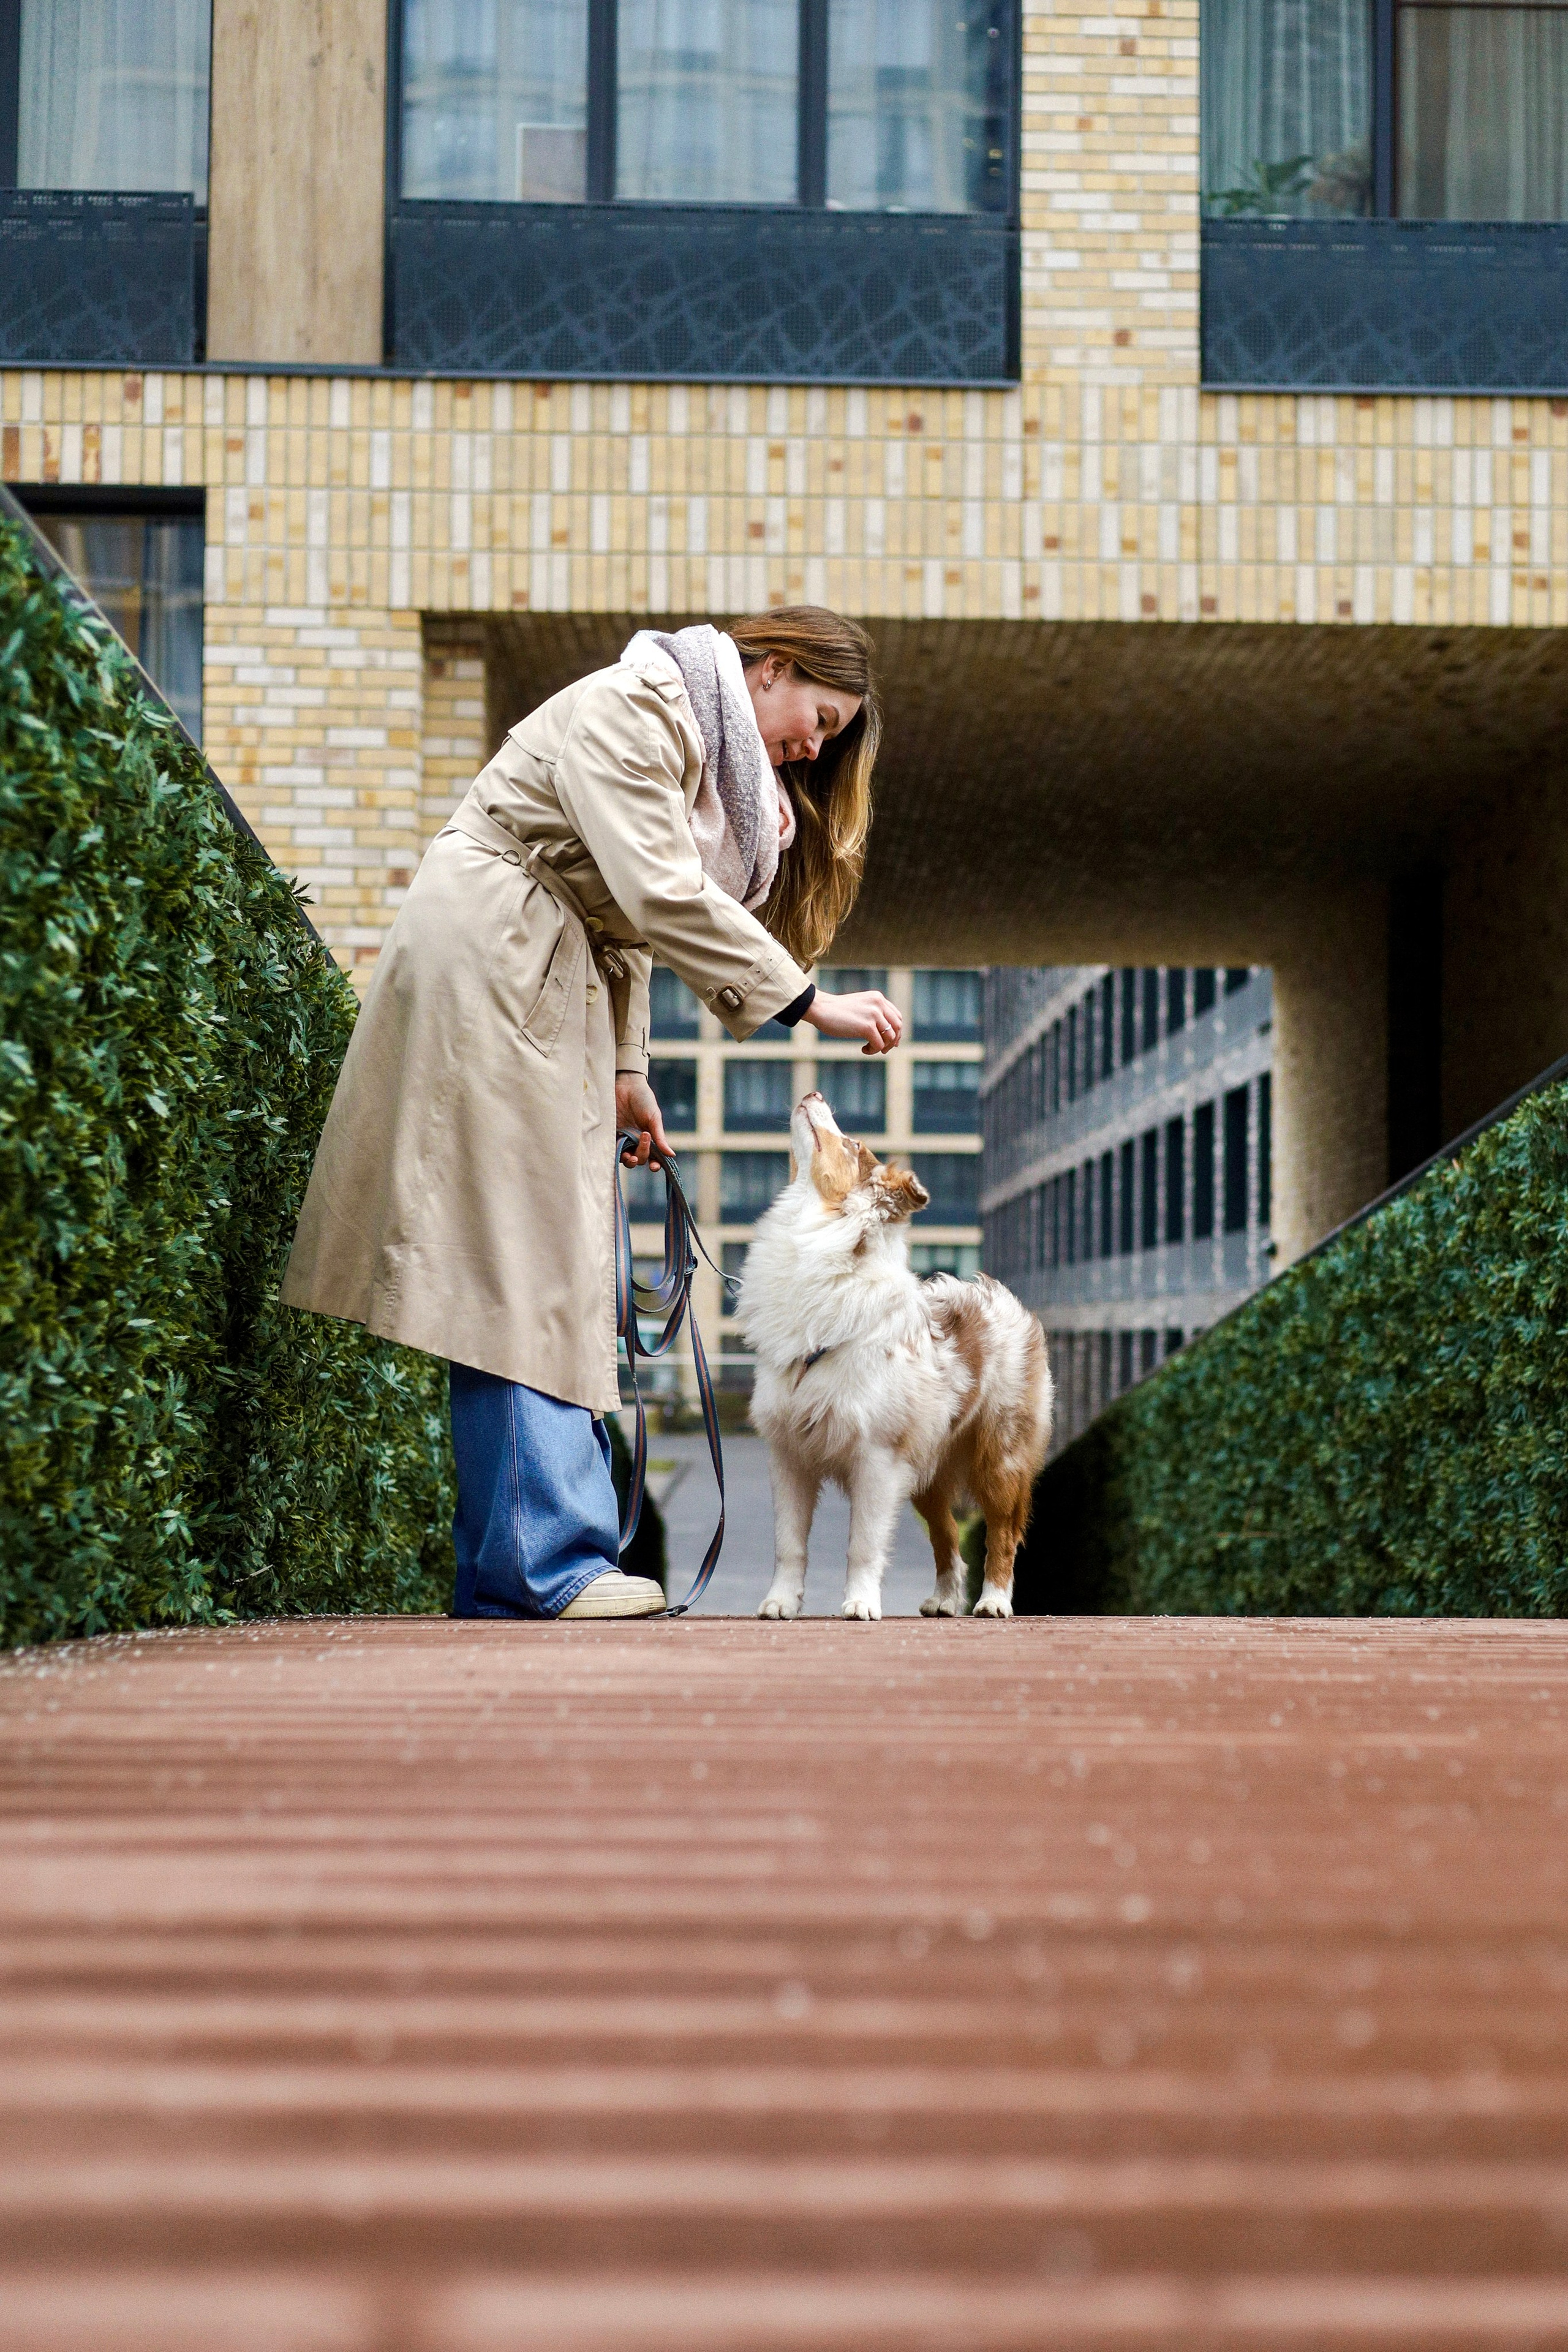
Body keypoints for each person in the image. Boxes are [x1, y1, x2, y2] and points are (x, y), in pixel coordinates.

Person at [281, 608, 902, 1619]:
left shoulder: (684, 743)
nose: (814, 749)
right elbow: (657, 891)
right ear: (773, 668)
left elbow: (626, 924)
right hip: (501, 958)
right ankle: (542, 1568)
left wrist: (626, 1068)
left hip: (540, 964)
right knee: (523, 1262)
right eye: (821, 720)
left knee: (555, 1261)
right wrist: (805, 1001)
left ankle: (523, 1569)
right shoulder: (638, 709)